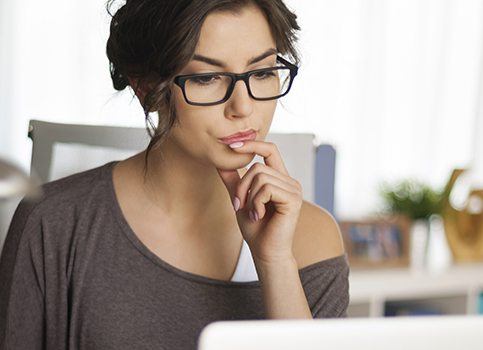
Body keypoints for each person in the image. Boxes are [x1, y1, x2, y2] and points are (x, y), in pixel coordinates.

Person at [0, 0, 350, 349]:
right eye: (206, 78)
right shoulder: (54, 222)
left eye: (261, 72)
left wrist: (274, 262)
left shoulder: (312, 239)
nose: (243, 107)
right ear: (147, 88)